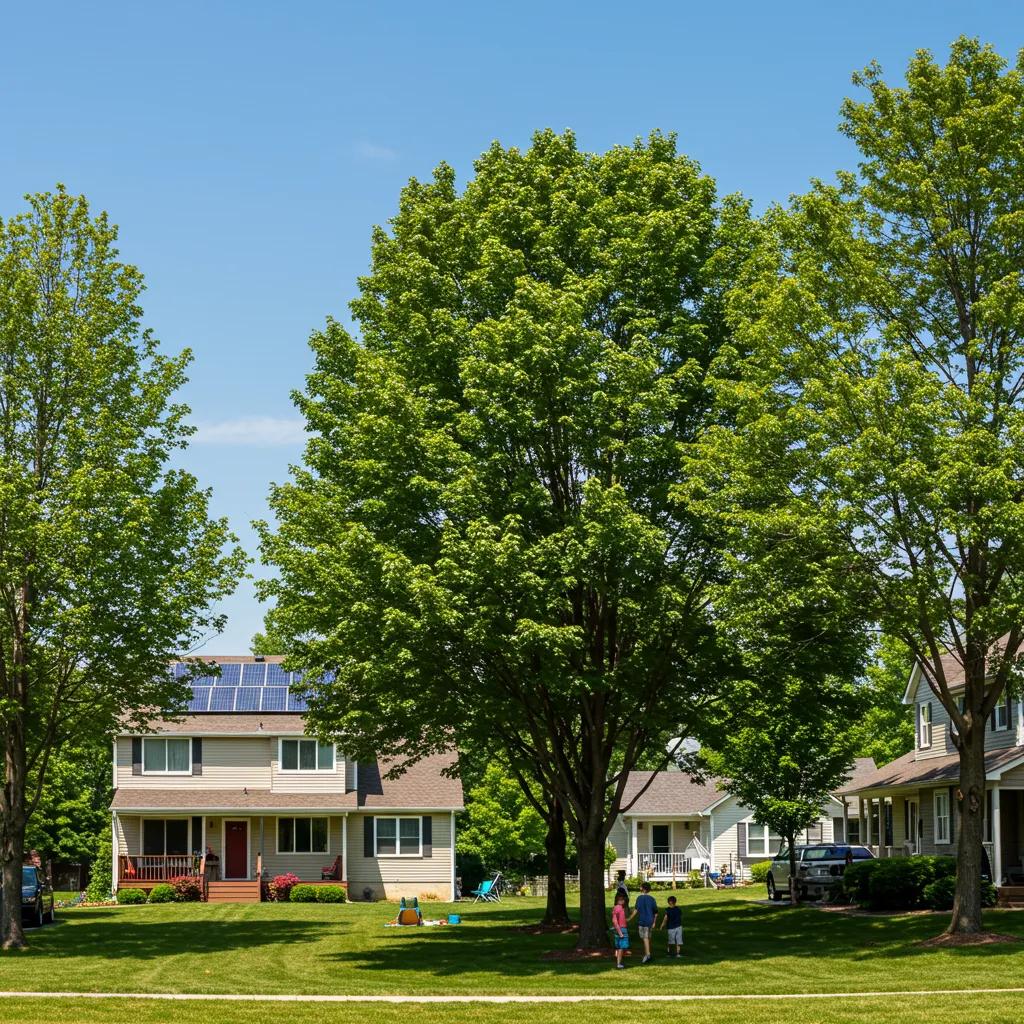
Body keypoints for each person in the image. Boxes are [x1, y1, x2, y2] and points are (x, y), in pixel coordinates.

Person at [630, 881, 658, 964]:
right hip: (650, 921)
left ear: (642, 888)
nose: (640, 888)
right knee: (648, 938)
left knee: (645, 938)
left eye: (640, 886)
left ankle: (648, 955)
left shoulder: (639, 898)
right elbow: (656, 912)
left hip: (643, 921)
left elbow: (636, 910)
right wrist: (654, 922)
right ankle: (647, 953)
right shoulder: (652, 899)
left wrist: (629, 918)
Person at [611, 890, 630, 969]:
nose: (623, 901)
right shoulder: (618, 908)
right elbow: (615, 921)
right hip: (621, 930)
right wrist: (620, 932)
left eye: (623, 899)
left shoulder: (619, 908)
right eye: (622, 899)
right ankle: (619, 964)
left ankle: (619, 961)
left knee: (619, 947)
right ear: (618, 900)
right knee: (621, 947)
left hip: (620, 929)